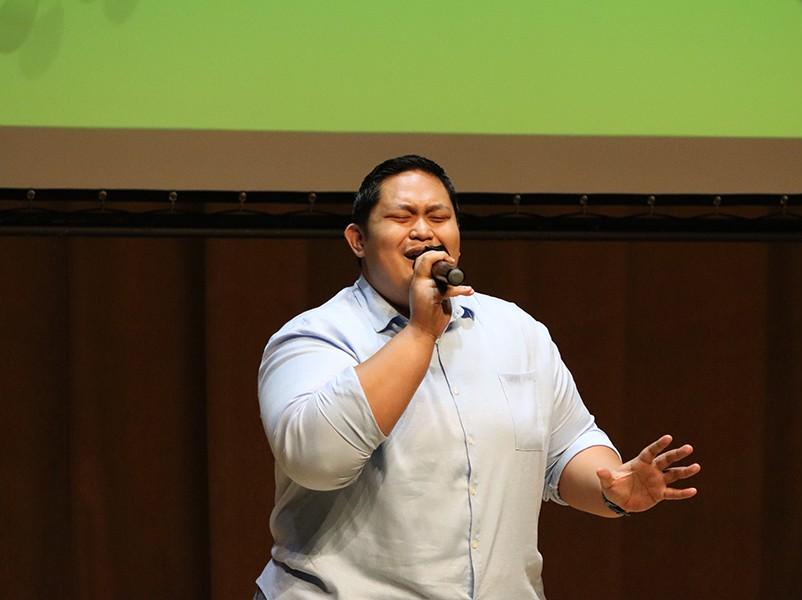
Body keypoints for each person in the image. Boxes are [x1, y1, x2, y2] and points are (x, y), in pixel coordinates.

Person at [254, 155, 701, 599]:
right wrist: (420, 333)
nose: (424, 231)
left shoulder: (516, 330)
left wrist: (613, 488)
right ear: (358, 240)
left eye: (439, 217)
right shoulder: (315, 337)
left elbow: (567, 447)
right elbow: (316, 460)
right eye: (402, 217)